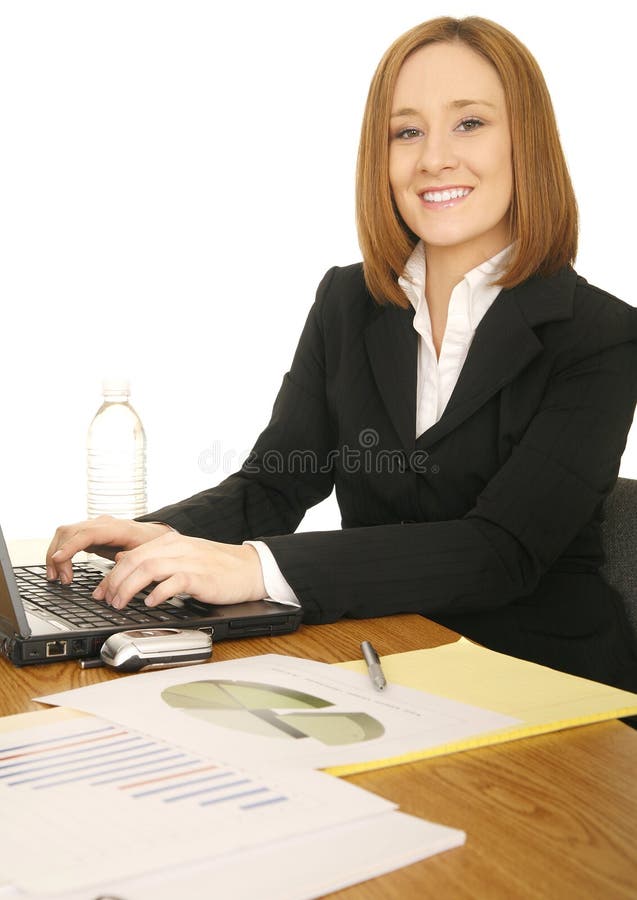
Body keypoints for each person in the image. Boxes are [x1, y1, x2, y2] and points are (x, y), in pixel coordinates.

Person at [47, 16, 637, 692]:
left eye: (468, 123)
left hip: (544, 683)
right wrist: (153, 536)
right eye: (406, 131)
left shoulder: (599, 334)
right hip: (385, 661)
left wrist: (261, 568)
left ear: (525, 141)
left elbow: (501, 551)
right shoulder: (347, 301)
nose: (433, 158)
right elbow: (277, 482)